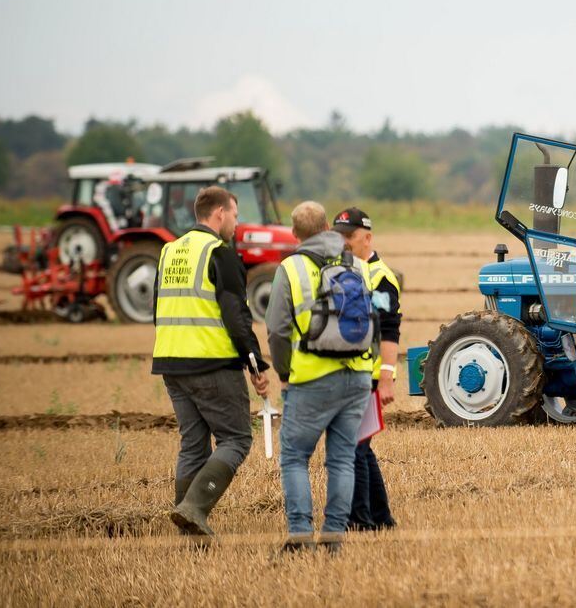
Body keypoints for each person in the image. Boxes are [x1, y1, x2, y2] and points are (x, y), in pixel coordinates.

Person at [152, 186, 270, 537]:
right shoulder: (220, 253)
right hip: (211, 363)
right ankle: (194, 508)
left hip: (171, 362)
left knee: (193, 444)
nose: (236, 221)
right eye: (235, 214)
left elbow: (156, 309)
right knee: (236, 439)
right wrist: (256, 366)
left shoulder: (168, 251)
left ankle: (188, 526)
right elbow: (237, 317)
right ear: (219, 213)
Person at [266, 201, 371, 554]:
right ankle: (334, 538)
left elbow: (277, 330)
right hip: (356, 374)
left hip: (311, 376)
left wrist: (284, 373)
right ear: (328, 226)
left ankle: (299, 536)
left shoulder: (290, 268)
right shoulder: (356, 263)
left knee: (295, 456)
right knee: (341, 459)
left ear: (294, 234)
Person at [331, 208, 400, 532]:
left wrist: (386, 379)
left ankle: (361, 520)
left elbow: (390, 331)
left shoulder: (380, 277)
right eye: (339, 236)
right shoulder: (344, 271)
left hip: (369, 376)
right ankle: (380, 518)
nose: (343, 242)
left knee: (354, 447)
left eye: (349, 236)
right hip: (352, 372)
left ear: (367, 238)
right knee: (361, 446)